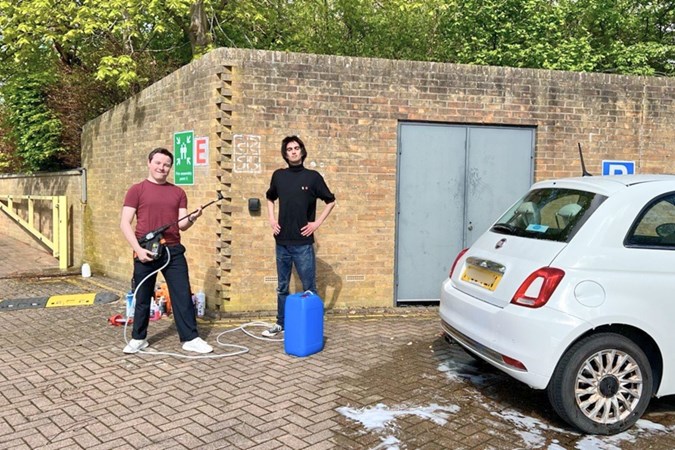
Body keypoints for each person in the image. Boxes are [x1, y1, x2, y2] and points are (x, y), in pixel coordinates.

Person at [119, 147, 213, 354]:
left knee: (181, 294)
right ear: (149, 163)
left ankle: (190, 338)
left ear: (170, 168)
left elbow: (182, 225)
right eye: (158, 163)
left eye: (166, 165)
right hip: (146, 249)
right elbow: (125, 223)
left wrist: (193, 218)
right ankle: (138, 338)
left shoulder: (178, 192)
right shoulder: (137, 190)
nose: (162, 167)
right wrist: (138, 249)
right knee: (143, 295)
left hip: (173, 250)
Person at [263, 136, 336, 337]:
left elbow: (330, 201)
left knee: (309, 287)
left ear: (302, 151)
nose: (293, 152)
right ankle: (281, 323)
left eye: (296, 148)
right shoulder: (278, 176)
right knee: (282, 286)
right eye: (289, 149)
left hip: (303, 243)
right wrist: (271, 219)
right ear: (285, 154)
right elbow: (270, 198)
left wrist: (317, 223)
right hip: (282, 242)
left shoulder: (313, 177)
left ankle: (312, 327)